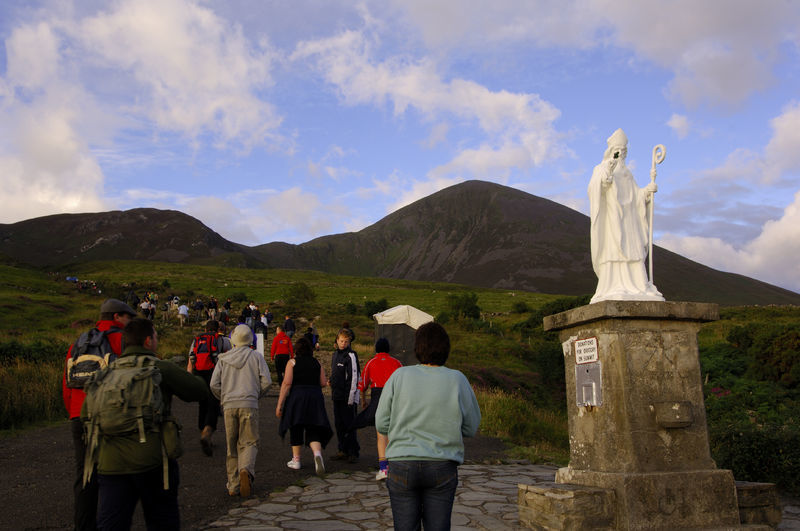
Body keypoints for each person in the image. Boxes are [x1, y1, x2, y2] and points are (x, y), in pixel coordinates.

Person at [90, 318, 208, 530]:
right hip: (152, 460)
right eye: (155, 336)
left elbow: (85, 415)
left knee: (112, 523)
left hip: (110, 463)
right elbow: (198, 391)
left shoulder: (106, 373)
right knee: (162, 519)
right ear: (148, 341)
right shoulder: (160, 368)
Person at [376, 322, 481, 531]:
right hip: (442, 465)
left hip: (402, 464)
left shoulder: (399, 376)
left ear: (418, 348)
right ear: (446, 348)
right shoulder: (458, 379)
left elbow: (381, 422)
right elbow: (471, 427)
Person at [63, 298, 136, 531]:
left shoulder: (79, 342)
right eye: (129, 316)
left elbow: (67, 383)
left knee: (85, 475)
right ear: (117, 317)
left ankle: (83, 526)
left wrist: (74, 412)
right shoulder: (122, 340)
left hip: (79, 414)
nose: (131, 321)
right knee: (116, 475)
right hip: (110, 416)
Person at [588, 128, 663, 303]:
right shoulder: (601, 168)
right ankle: (614, 285)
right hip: (612, 221)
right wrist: (604, 178)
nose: (621, 154)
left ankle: (640, 285)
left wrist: (647, 192)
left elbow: (635, 196)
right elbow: (594, 189)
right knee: (613, 251)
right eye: (618, 151)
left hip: (629, 222)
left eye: (624, 151)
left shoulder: (627, 174)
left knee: (633, 251)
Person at [210, 324, 272, 497]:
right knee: (250, 441)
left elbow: (213, 384)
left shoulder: (223, 358)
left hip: (229, 405)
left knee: (232, 446)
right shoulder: (256, 357)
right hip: (249, 403)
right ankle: (246, 470)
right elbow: (267, 381)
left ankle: (233, 485)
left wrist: (223, 398)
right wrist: (255, 395)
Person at [276, 337, 333, 476]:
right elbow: (323, 382)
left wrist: (279, 404)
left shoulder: (292, 362)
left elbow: (287, 383)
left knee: (296, 426)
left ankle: (296, 460)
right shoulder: (317, 363)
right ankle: (317, 454)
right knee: (313, 427)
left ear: (296, 350)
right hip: (315, 397)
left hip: (298, 397)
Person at [352, 338, 402, 480]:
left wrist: (363, 401)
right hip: (393, 398)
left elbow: (362, 385)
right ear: (388, 349)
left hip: (377, 397)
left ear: (376, 348)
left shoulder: (371, 362)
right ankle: (395, 466)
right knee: (394, 433)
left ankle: (383, 469)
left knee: (381, 433)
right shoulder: (397, 363)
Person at [188, 320, 228, 456]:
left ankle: (203, 433)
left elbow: (191, 359)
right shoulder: (222, 340)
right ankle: (207, 433)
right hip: (214, 375)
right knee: (213, 405)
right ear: (217, 329)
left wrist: (190, 378)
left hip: (199, 374)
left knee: (202, 405)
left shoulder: (197, 340)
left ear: (206, 329)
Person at [329, 328, 360, 462]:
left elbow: (354, 378)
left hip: (348, 397)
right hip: (337, 395)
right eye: (341, 341)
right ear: (337, 340)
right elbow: (335, 371)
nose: (343, 343)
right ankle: (342, 449)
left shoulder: (351, 355)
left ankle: (353, 452)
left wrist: (351, 399)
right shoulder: (335, 354)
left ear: (349, 342)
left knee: (350, 424)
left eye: (346, 341)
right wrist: (331, 380)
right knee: (339, 424)